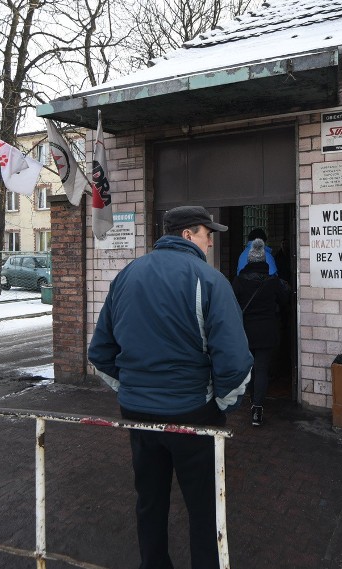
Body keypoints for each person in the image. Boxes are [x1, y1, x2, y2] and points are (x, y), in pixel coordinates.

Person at [88, 205, 253, 569]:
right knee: (204, 507)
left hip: (137, 415)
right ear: (187, 235)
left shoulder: (127, 276)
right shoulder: (209, 280)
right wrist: (223, 405)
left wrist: (131, 389)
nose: (210, 243)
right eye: (207, 234)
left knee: (149, 500)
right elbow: (236, 361)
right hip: (193, 414)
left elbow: (100, 351)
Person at [231, 238, 289, 426]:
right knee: (262, 369)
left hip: (245, 332)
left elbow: (233, 306)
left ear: (248, 261)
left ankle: (249, 397)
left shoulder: (239, 281)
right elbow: (284, 302)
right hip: (267, 331)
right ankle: (257, 408)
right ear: (264, 261)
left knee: (249, 367)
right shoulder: (273, 282)